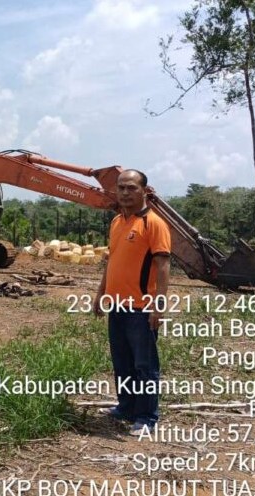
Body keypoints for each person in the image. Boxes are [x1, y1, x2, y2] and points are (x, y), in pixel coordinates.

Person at [94, 169, 171, 436]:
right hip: (117, 305)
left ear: (145, 191)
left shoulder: (153, 223)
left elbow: (162, 266)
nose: (125, 193)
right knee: (122, 362)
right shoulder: (116, 222)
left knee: (145, 365)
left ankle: (147, 416)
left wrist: (158, 305)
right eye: (121, 188)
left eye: (131, 188)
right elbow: (112, 262)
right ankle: (126, 407)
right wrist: (100, 294)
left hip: (141, 309)